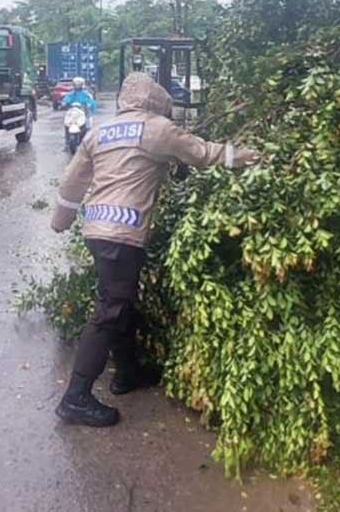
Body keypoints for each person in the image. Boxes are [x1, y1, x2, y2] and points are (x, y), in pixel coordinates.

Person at [49, 72, 258, 426]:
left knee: (121, 301)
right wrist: (250, 156)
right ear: (159, 102)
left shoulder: (100, 131)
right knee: (110, 310)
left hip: (97, 231)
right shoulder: (158, 129)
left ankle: (127, 372)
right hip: (123, 233)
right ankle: (76, 396)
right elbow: (205, 154)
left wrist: (60, 221)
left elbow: (73, 181)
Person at [60, 76, 97, 149]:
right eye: (76, 84)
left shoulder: (86, 94)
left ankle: (87, 143)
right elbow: (66, 99)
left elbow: (91, 101)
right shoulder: (71, 93)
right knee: (67, 124)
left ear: (82, 84)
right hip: (73, 112)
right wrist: (64, 103)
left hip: (83, 112)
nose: (77, 85)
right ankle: (67, 143)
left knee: (88, 126)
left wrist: (89, 104)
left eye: (79, 84)